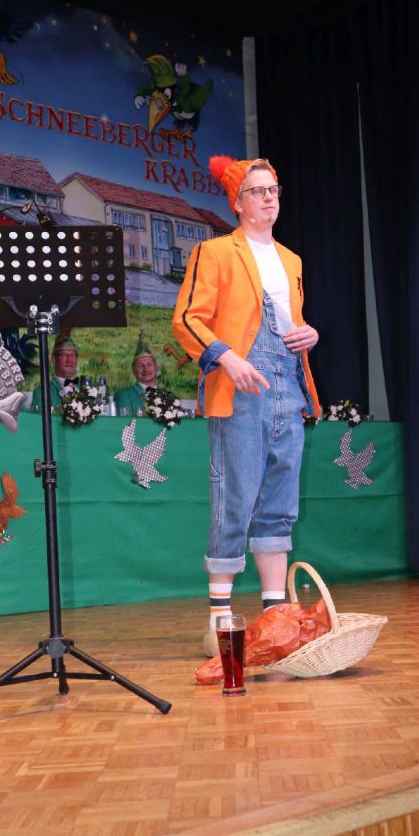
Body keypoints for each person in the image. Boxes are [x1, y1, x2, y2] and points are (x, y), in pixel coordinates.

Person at [172, 155, 320, 656]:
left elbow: (288, 323)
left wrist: (308, 334)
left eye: (273, 189)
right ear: (237, 203)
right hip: (238, 388)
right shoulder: (214, 252)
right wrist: (226, 357)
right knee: (234, 498)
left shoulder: (292, 261)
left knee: (280, 503)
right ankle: (219, 619)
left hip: (287, 386)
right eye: (258, 191)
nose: (269, 197)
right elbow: (187, 319)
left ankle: (275, 617)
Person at [28, 331, 83, 413]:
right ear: (53, 359)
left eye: (72, 355)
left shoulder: (86, 389)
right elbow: (37, 417)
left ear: (77, 359)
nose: (69, 360)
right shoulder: (42, 392)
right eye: (64, 355)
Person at [114, 331, 160, 416]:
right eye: (140, 366)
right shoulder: (124, 395)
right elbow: (125, 422)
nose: (145, 369)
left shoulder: (169, 396)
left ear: (156, 368)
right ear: (134, 371)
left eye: (149, 365)